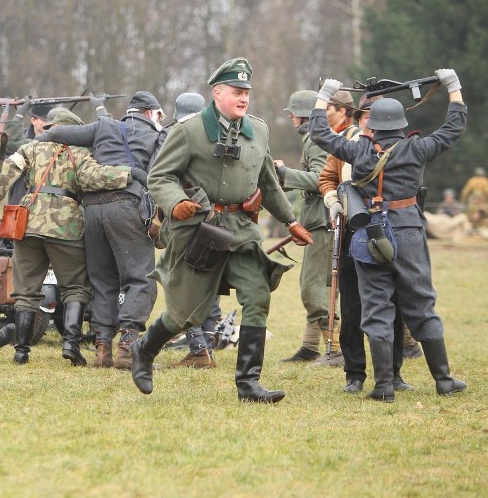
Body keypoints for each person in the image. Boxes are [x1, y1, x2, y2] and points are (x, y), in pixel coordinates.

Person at [132, 57, 313, 403]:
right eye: (236, 91)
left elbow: (268, 181)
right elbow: (159, 177)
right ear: (217, 93)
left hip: (241, 231)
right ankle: (144, 349)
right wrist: (174, 203)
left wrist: (291, 220)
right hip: (200, 231)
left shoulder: (258, 130)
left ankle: (249, 385)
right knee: (185, 315)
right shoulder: (189, 131)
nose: (244, 98)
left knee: (257, 295)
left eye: (247, 92)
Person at [310, 71, 467, 402]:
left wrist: (323, 96)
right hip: (408, 229)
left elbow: (320, 133)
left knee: (376, 306)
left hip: (369, 232)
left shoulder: (360, 151)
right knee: (421, 303)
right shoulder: (417, 148)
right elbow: (453, 128)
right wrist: (453, 88)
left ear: (373, 126)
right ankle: (443, 380)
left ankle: (383, 386)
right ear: (400, 123)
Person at [0, 107, 141, 365]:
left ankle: (21, 351)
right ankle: (71, 344)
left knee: (26, 290)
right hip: (67, 227)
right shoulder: (80, 153)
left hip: (28, 224)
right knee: (75, 287)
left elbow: (8, 170)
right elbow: (96, 178)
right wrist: (129, 174)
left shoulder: (31, 148)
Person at [37, 91, 164, 369]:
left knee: (102, 279)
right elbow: (158, 177)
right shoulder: (158, 135)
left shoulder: (103, 127)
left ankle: (103, 348)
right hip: (128, 206)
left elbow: (55, 135)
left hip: (92, 209)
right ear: (150, 113)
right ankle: (128, 348)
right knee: (141, 278)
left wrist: (33, 144)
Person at [318, 94, 415, 393]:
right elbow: (326, 179)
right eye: (367, 117)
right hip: (352, 230)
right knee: (352, 305)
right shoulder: (344, 145)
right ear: (360, 118)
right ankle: (355, 375)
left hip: (390, 232)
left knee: (394, 305)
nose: (372, 123)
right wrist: (332, 199)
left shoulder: (400, 147)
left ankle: (394, 374)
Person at [275, 89, 345, 366]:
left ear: (300, 115)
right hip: (320, 219)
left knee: (314, 287)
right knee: (316, 284)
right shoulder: (316, 138)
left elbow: (320, 180)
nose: (290, 117)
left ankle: (335, 348)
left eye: (292, 113)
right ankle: (310, 346)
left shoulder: (316, 140)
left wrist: (283, 173)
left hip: (323, 221)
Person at [160, 92, 224, 370]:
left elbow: (161, 179)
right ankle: (208, 348)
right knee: (210, 283)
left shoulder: (173, 135)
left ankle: (198, 351)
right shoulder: (222, 134)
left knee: (181, 285)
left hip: (186, 220)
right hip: (219, 220)